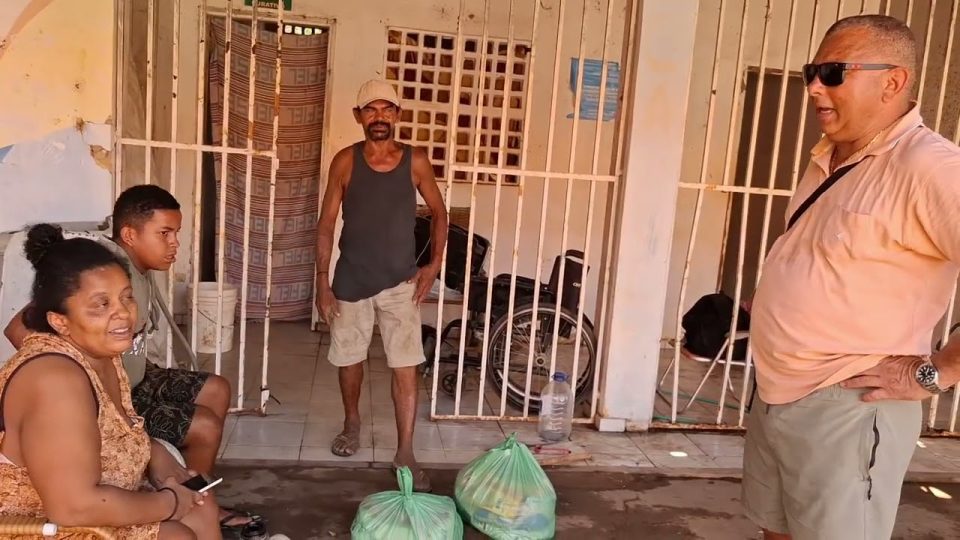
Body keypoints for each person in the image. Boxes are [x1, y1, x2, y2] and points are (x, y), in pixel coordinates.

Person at [743, 15, 960, 540]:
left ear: (893, 82)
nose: (815, 87)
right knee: (774, 531)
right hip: (775, 394)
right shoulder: (829, 158)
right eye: (811, 73)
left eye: (834, 72)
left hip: (849, 407)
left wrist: (937, 372)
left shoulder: (929, 166)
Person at [3, 185, 252, 530]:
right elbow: (73, 509)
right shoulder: (56, 379)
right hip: (43, 526)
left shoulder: (104, 356)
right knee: (179, 528)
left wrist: (157, 457)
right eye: (101, 305)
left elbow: (121, 429)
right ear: (59, 322)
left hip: (91, 493)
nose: (123, 314)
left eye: (126, 298)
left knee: (200, 504)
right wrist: (168, 502)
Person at [315, 79, 448, 492]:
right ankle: (352, 422)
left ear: (397, 115)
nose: (379, 117)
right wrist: (322, 282)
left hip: (400, 282)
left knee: (405, 366)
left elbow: (440, 213)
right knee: (349, 359)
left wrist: (433, 265)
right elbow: (326, 224)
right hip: (352, 278)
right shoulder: (345, 161)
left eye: (386, 109)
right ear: (358, 116)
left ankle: (405, 450)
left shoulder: (416, 161)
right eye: (370, 110)